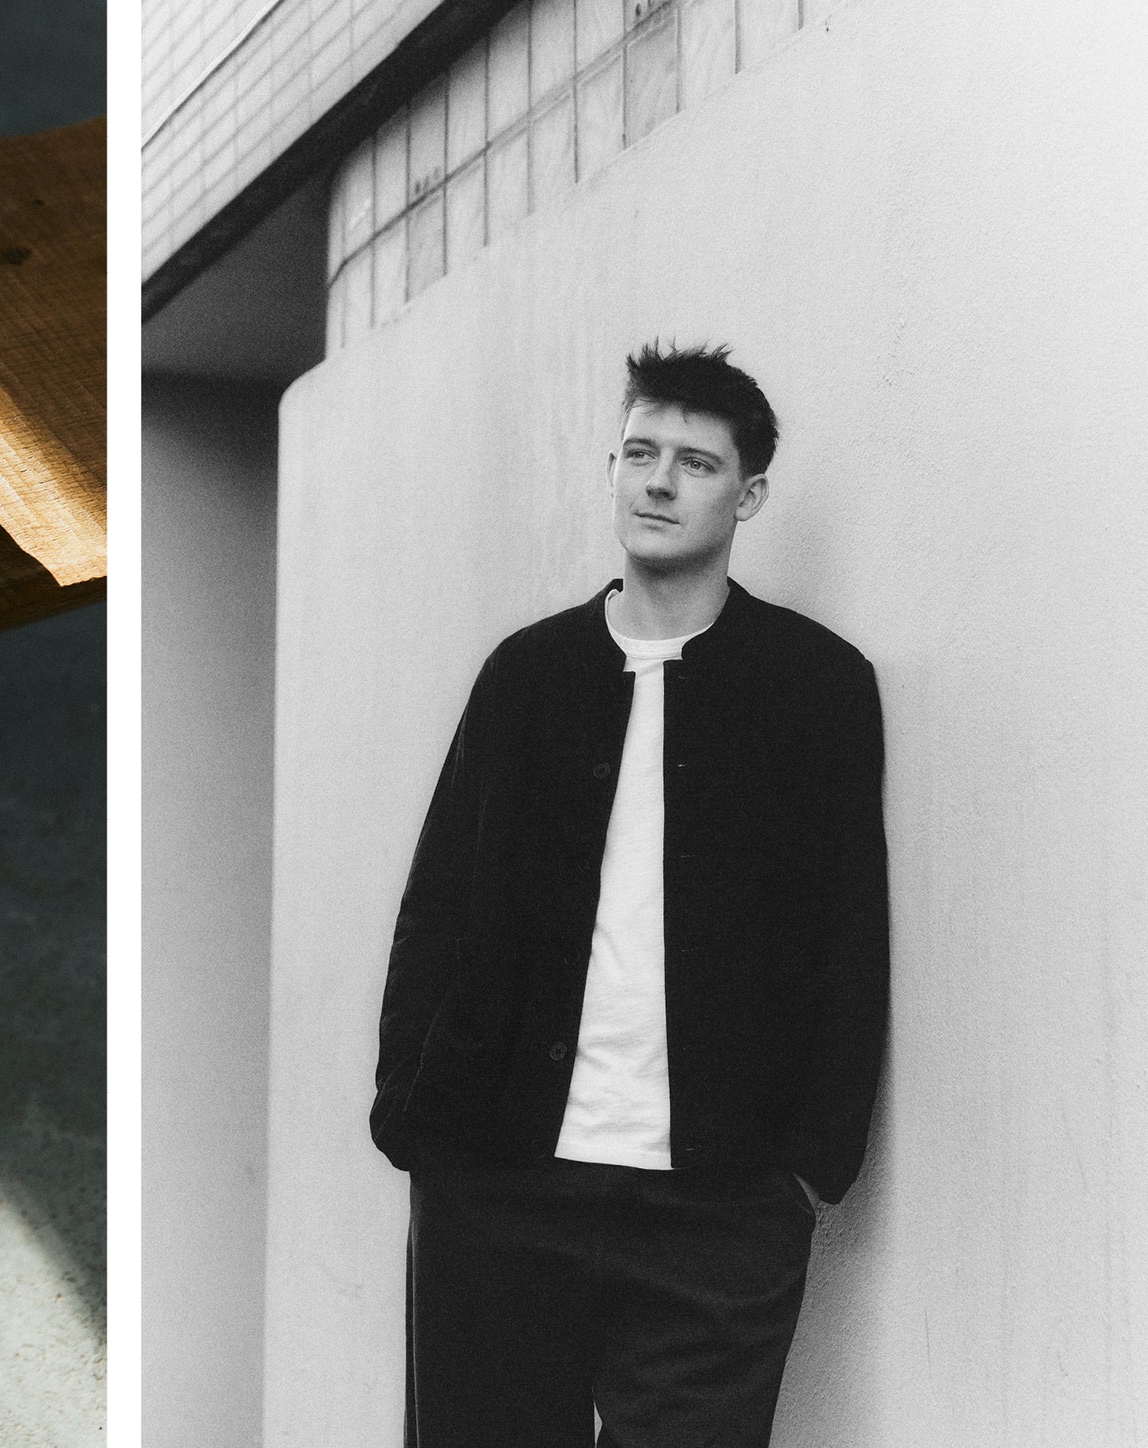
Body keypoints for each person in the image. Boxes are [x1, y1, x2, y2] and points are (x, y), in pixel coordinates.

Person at [369, 343, 888, 1447]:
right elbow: (437, 905)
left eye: (693, 463)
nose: (656, 481)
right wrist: (411, 1115)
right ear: (611, 466)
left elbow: (850, 936)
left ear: (746, 494)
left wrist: (806, 1165)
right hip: (502, 1184)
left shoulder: (815, 687)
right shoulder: (526, 675)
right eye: (639, 452)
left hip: (719, 1203)